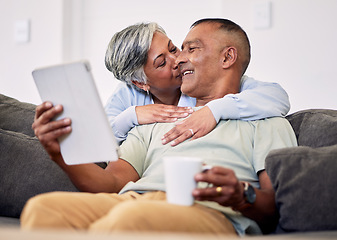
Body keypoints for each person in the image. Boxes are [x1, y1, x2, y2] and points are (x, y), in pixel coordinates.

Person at [21, 18, 297, 236]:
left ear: (227, 58)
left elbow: (272, 206)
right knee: (43, 209)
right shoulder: (157, 116)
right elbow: (112, 182)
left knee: (127, 222)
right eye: (175, 53)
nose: (179, 60)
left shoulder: (267, 119)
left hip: (209, 212)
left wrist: (241, 195)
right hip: (133, 202)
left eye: (191, 49)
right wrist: (59, 152)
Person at [103, 22, 290, 145]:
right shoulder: (128, 94)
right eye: (162, 63)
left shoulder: (202, 82)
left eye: (173, 48)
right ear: (139, 83)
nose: (177, 60)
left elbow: (276, 96)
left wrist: (213, 110)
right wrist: (132, 115)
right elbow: (100, 139)